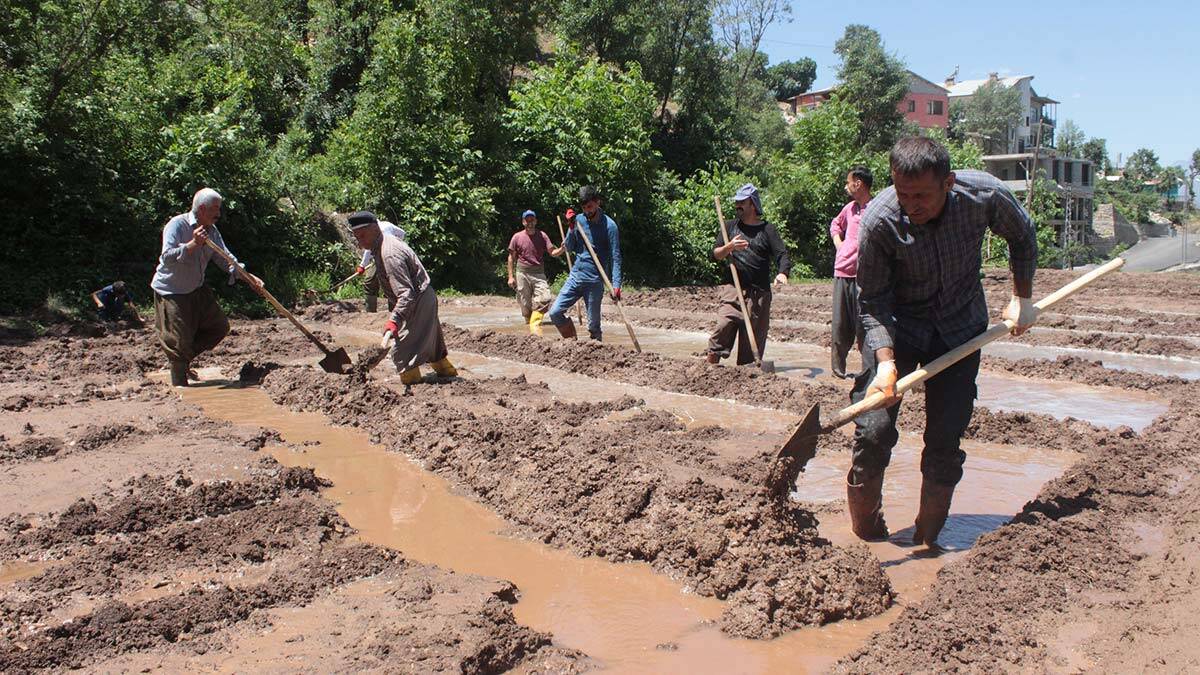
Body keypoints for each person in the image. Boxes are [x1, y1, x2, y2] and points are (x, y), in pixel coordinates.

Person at [849, 137, 1038, 547]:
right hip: (899, 328)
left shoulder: (983, 196)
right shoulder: (880, 220)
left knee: (944, 440)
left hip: (959, 329)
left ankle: (927, 539)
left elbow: (1022, 235)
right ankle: (867, 536)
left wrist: (1022, 297)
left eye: (922, 196)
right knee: (873, 429)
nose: (911, 205)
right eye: (903, 194)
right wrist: (884, 362)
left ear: (948, 183)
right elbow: (873, 300)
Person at [150, 188, 262, 387]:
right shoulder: (177, 225)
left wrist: (249, 278)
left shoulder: (212, 230)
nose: (218, 213)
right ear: (201, 208)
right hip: (172, 291)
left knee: (219, 327)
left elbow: (226, 259)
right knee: (178, 342)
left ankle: (183, 360)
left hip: (196, 288)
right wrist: (193, 244)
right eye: (215, 209)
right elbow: (166, 257)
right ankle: (181, 387)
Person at [347, 211, 457, 385]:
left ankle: (413, 386)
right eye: (357, 238)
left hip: (418, 299)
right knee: (433, 341)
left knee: (402, 352)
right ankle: (445, 370)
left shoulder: (389, 253)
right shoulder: (381, 243)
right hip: (421, 296)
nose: (360, 243)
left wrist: (394, 320)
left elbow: (406, 293)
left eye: (362, 236)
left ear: (375, 228)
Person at [706, 183, 791, 365]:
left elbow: (782, 254)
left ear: (752, 204)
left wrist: (783, 273)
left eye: (741, 202)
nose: (737, 206)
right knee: (722, 327)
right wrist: (729, 247)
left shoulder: (767, 230)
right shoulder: (729, 227)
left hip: (759, 295)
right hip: (733, 290)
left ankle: (746, 381)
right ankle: (708, 370)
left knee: (751, 348)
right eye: (736, 203)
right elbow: (714, 255)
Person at [546, 186, 622, 341]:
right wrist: (571, 227)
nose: (587, 211)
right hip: (576, 276)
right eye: (584, 208)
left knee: (593, 326)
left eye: (590, 207)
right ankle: (573, 344)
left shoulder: (610, 226)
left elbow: (616, 257)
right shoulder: (578, 220)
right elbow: (568, 247)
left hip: (594, 281)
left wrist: (616, 285)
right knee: (555, 313)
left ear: (597, 202)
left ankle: (596, 355)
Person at [829, 166, 873, 379]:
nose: (846, 186)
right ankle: (838, 371)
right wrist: (841, 246)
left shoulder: (875, 208)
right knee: (840, 325)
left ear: (859, 183)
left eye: (848, 182)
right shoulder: (850, 209)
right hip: (842, 273)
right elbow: (835, 225)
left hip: (865, 276)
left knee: (864, 325)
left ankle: (868, 371)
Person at [506, 209, 562, 330]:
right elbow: (511, 257)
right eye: (527, 220)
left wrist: (562, 249)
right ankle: (530, 325)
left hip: (538, 273)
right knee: (525, 304)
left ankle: (535, 322)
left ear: (536, 221)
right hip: (522, 272)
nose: (530, 222)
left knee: (545, 297)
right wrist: (510, 277)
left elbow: (552, 252)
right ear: (523, 222)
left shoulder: (542, 236)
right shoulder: (517, 237)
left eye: (532, 220)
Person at [353, 218, 406, 312]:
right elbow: (368, 249)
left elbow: (402, 233)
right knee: (370, 280)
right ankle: (370, 312)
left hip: (391, 256)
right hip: (377, 255)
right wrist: (362, 266)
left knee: (392, 283)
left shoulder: (385, 229)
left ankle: (394, 311)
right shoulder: (371, 233)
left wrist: (396, 244)